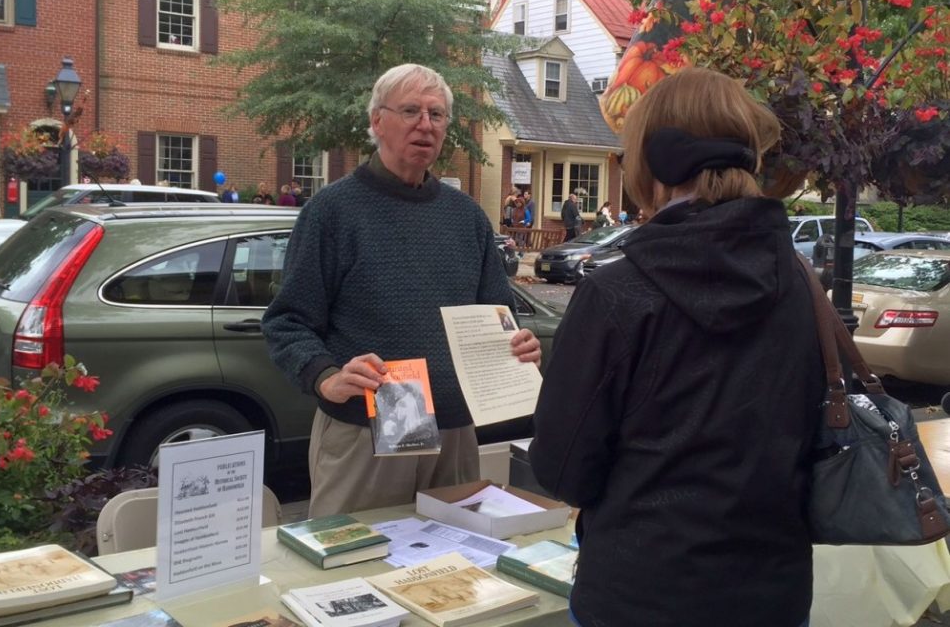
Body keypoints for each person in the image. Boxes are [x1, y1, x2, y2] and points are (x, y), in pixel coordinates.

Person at [529, 67, 823, 627]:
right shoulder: (803, 285)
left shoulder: (616, 293)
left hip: (639, 596)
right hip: (772, 596)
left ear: (655, 159)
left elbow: (562, 470)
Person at [262, 63, 541, 518]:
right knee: (354, 568)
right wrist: (325, 377)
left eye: (437, 115)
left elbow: (496, 315)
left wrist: (518, 344)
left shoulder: (466, 217)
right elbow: (287, 321)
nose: (425, 125)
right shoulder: (332, 212)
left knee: (453, 571)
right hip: (369, 428)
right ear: (377, 121)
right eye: (410, 111)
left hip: (454, 432)